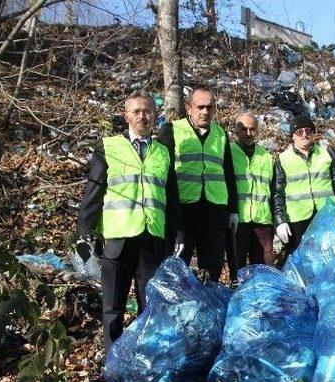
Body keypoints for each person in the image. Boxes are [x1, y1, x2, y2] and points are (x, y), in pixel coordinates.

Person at [77, 91, 184, 348]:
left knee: (149, 306)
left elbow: (172, 197)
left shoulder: (163, 152)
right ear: (126, 115)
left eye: (147, 111)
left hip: (151, 239)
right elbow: (94, 191)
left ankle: (143, 359)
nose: (142, 116)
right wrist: (84, 231)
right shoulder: (109, 147)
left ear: (154, 115)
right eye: (136, 111)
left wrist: (179, 232)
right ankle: (113, 361)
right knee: (113, 307)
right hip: (118, 239)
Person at [158, 88, 238, 282]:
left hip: (215, 213)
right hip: (184, 214)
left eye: (210, 107)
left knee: (212, 273)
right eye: (200, 107)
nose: (205, 111)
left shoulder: (220, 134)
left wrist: (233, 210)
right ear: (188, 108)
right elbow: (161, 173)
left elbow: (228, 172)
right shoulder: (172, 131)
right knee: (178, 271)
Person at [273, 115, 335, 256]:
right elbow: (277, 194)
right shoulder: (283, 159)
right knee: (301, 259)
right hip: (297, 221)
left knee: (329, 256)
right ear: (293, 136)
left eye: (308, 131)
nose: (304, 134)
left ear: (314, 133)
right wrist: (280, 221)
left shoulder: (325, 154)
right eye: (299, 132)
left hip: (327, 216)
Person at [226, 113, 275, 280]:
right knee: (237, 268)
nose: (248, 133)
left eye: (252, 129)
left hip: (263, 222)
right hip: (238, 222)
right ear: (236, 130)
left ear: (257, 130)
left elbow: (273, 190)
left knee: (264, 270)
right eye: (243, 129)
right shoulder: (228, 153)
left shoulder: (266, 157)